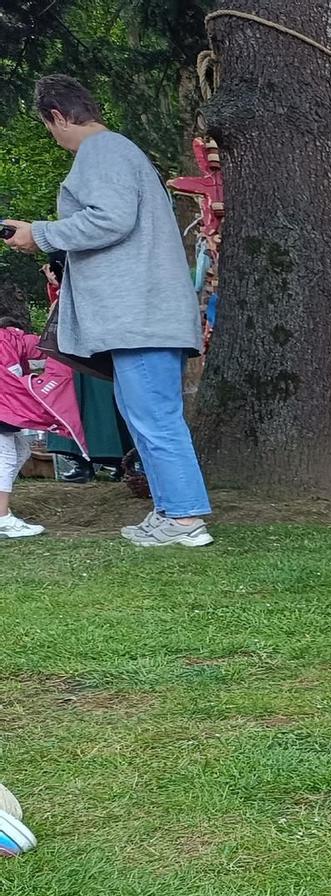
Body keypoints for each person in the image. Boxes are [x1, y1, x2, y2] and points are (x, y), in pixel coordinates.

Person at [2, 75, 213, 547]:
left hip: (138, 317)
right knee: (148, 416)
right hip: (142, 314)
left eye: (49, 128)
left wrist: (41, 233)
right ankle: (171, 513)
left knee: (153, 417)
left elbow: (109, 219)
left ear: (57, 116)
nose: (53, 139)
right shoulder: (120, 152)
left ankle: (183, 520)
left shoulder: (102, 151)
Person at [0, 286, 88, 539]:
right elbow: (43, 347)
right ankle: (2, 518)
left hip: (5, 408)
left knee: (20, 451)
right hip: (4, 409)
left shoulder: (9, 338)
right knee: (5, 456)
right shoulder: (10, 337)